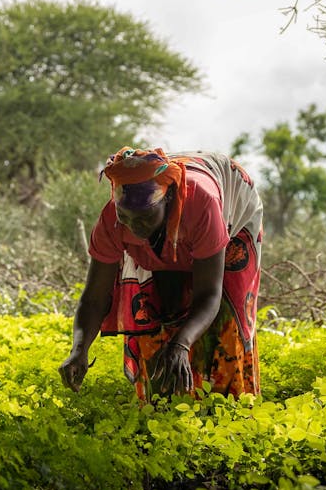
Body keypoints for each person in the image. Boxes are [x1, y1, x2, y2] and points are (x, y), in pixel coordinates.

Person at [59, 146, 263, 400]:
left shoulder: (203, 205)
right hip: (180, 225)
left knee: (226, 319)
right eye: (126, 217)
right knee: (154, 313)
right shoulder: (112, 220)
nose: (134, 228)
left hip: (233, 209)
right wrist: (79, 350)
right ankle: (163, 404)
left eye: (144, 218)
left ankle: (227, 407)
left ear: (166, 200)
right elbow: (94, 298)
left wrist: (181, 343)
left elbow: (209, 293)